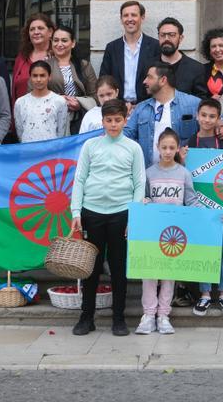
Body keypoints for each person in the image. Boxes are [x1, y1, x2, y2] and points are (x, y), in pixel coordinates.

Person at [70, 99, 147, 337]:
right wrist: (76, 211)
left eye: (117, 120)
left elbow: (139, 183)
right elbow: (80, 179)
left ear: (125, 120)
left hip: (121, 214)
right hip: (92, 212)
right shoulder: (91, 146)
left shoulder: (133, 148)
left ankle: (118, 318)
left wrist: (133, 215)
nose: (113, 125)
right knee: (91, 269)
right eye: (108, 120)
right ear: (102, 121)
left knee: (118, 267)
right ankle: (86, 317)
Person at [136, 129, 200, 335]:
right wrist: (143, 202)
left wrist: (213, 216)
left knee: (169, 274)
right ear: (158, 148)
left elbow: (191, 201)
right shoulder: (148, 172)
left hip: (174, 235)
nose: (167, 151)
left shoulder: (184, 173)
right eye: (164, 147)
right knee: (149, 273)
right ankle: (148, 315)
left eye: (172, 148)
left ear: (178, 149)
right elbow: (142, 197)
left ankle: (163, 315)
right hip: (152, 232)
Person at [189, 97, 223, 316]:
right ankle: (205, 294)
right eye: (204, 115)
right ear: (197, 115)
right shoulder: (189, 143)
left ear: (219, 119)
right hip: (199, 209)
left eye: (212, 116)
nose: (207, 120)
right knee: (203, 250)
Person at [124, 62, 201, 166]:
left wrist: (221, 125)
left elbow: (211, 121)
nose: (144, 81)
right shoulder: (141, 108)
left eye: (149, 77)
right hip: (149, 174)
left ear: (163, 80)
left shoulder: (193, 104)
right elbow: (127, 135)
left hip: (182, 173)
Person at [99, 0, 160, 104]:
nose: (129, 19)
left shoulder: (155, 46)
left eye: (134, 15)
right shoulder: (112, 48)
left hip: (148, 105)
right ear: (121, 19)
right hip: (118, 108)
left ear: (142, 17)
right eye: (125, 15)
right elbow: (104, 79)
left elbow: (159, 80)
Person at [47, 25, 98, 132]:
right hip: (51, 122)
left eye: (64, 40)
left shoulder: (84, 65)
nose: (59, 44)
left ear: (73, 43)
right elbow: (34, 94)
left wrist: (79, 103)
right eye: (56, 40)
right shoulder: (44, 66)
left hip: (80, 121)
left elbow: (95, 96)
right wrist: (59, 99)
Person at [14, 61, 69, 142]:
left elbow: (62, 131)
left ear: (49, 77)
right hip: (28, 150)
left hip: (51, 151)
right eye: (35, 76)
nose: (38, 79)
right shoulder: (20, 102)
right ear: (30, 77)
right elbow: (20, 130)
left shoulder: (59, 101)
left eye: (42, 75)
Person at [156, 17, 208, 98]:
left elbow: (201, 100)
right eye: (162, 35)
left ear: (180, 38)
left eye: (171, 35)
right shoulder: (148, 65)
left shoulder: (196, 68)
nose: (166, 39)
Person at [11, 13, 54, 101]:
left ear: (50, 32)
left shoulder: (57, 57)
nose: (36, 32)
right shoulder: (21, 58)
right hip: (23, 112)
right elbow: (14, 91)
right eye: (32, 29)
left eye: (40, 28)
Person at [199, 28, 223, 98]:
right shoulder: (202, 70)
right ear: (209, 50)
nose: (217, 49)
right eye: (213, 46)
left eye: (221, 45)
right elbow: (199, 96)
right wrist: (209, 100)